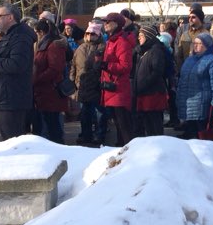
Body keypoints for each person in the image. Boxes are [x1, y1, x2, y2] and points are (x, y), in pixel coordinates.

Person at [0, 4, 36, 141]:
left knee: (12, 141)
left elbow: (17, 64)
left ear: (10, 17)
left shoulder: (21, 37)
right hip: (0, 98)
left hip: (11, 100)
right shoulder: (10, 36)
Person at [176, 32, 213, 140]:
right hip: (188, 105)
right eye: (194, 43)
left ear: (207, 46)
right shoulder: (189, 60)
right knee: (190, 139)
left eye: (199, 43)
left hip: (203, 106)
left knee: (202, 138)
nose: (195, 46)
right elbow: (182, 81)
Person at [31, 17, 68, 144]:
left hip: (51, 91)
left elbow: (55, 69)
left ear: (41, 32)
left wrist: (37, 78)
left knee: (53, 124)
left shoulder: (53, 46)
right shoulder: (44, 44)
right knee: (47, 121)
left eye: (37, 32)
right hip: (44, 91)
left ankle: (57, 147)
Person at [100, 12, 134, 145]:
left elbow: (125, 66)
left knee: (123, 125)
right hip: (111, 88)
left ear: (116, 24)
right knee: (118, 124)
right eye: (105, 21)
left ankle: (128, 150)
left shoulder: (121, 42)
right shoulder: (110, 41)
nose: (105, 24)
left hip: (119, 88)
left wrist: (106, 65)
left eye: (108, 21)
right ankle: (121, 148)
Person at [133, 24, 170, 137]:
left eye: (141, 36)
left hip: (153, 93)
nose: (139, 38)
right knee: (147, 124)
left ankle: (157, 144)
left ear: (148, 36)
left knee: (154, 124)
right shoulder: (144, 51)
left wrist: (144, 84)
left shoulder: (156, 50)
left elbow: (157, 72)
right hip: (144, 93)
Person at [71, 21, 104, 146]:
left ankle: (99, 135)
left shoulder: (102, 48)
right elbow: (74, 65)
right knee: (85, 114)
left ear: (98, 35)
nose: (90, 36)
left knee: (99, 113)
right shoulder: (81, 48)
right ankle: (86, 135)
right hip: (82, 86)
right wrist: (72, 79)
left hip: (96, 86)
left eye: (93, 34)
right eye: (88, 33)